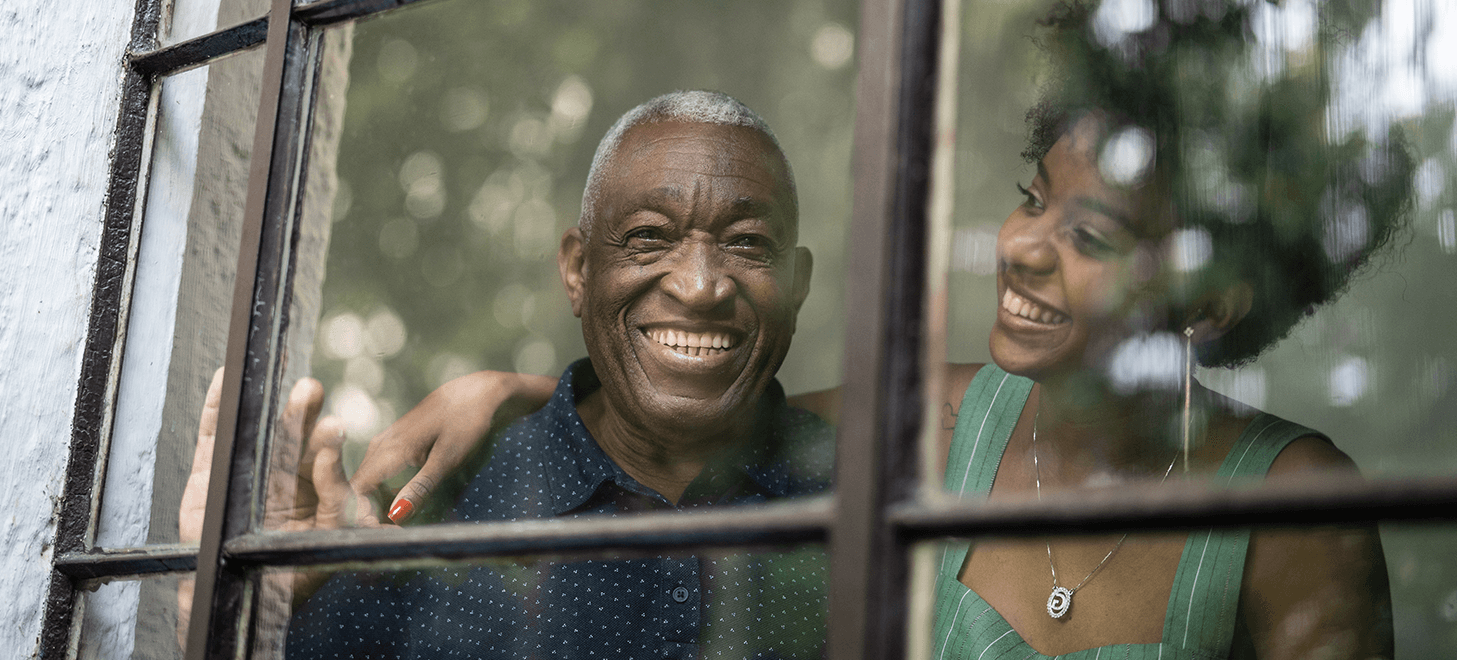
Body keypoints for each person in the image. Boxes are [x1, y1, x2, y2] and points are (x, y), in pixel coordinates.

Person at [363, 4, 1412, 658]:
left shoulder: (1297, 522)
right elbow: (682, 423)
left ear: (1210, 297)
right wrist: (507, 395)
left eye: (1086, 232)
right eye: (1029, 196)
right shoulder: (933, 423)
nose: (1020, 247)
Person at [183, 91, 835, 659]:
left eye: (747, 242)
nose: (699, 287)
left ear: (797, 283)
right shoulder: (439, 502)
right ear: (579, 268)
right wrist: (240, 617)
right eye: (648, 237)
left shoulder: (870, 492)